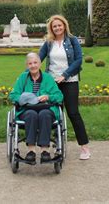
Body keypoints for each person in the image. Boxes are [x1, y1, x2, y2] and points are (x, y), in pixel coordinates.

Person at [39, 15, 91, 160]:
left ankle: (84, 147)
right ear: (51, 28)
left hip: (70, 81)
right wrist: (27, 74)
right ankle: (57, 143)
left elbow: (78, 61)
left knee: (73, 113)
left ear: (64, 26)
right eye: (54, 26)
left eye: (59, 25)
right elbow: (38, 59)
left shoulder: (72, 40)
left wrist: (65, 75)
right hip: (53, 83)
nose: (57, 28)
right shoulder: (48, 43)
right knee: (54, 112)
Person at [9, 53, 63, 164]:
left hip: (46, 108)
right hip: (27, 109)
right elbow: (13, 95)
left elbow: (59, 96)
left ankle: (45, 151)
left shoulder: (47, 78)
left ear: (40, 64)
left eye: (35, 63)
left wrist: (48, 97)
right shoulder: (23, 78)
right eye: (30, 63)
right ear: (27, 65)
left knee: (44, 114)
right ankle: (31, 151)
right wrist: (24, 98)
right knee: (31, 114)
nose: (33, 66)